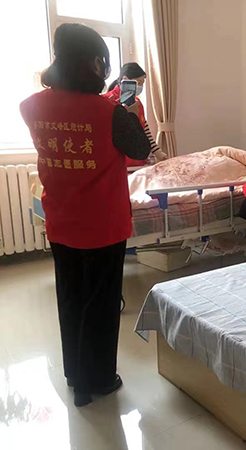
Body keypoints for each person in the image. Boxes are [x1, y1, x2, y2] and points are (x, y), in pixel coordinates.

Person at [20, 23, 151, 407]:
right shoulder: (110, 113)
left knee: (71, 299)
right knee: (102, 304)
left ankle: (76, 377)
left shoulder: (30, 106)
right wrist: (129, 112)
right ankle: (100, 378)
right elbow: (141, 151)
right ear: (95, 63)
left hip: (61, 223)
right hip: (104, 226)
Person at [105, 62, 168, 165]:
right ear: (125, 79)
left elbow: (145, 131)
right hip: (118, 163)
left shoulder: (137, 103)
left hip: (139, 161)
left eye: (142, 84)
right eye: (138, 83)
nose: (140, 87)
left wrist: (160, 154)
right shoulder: (107, 101)